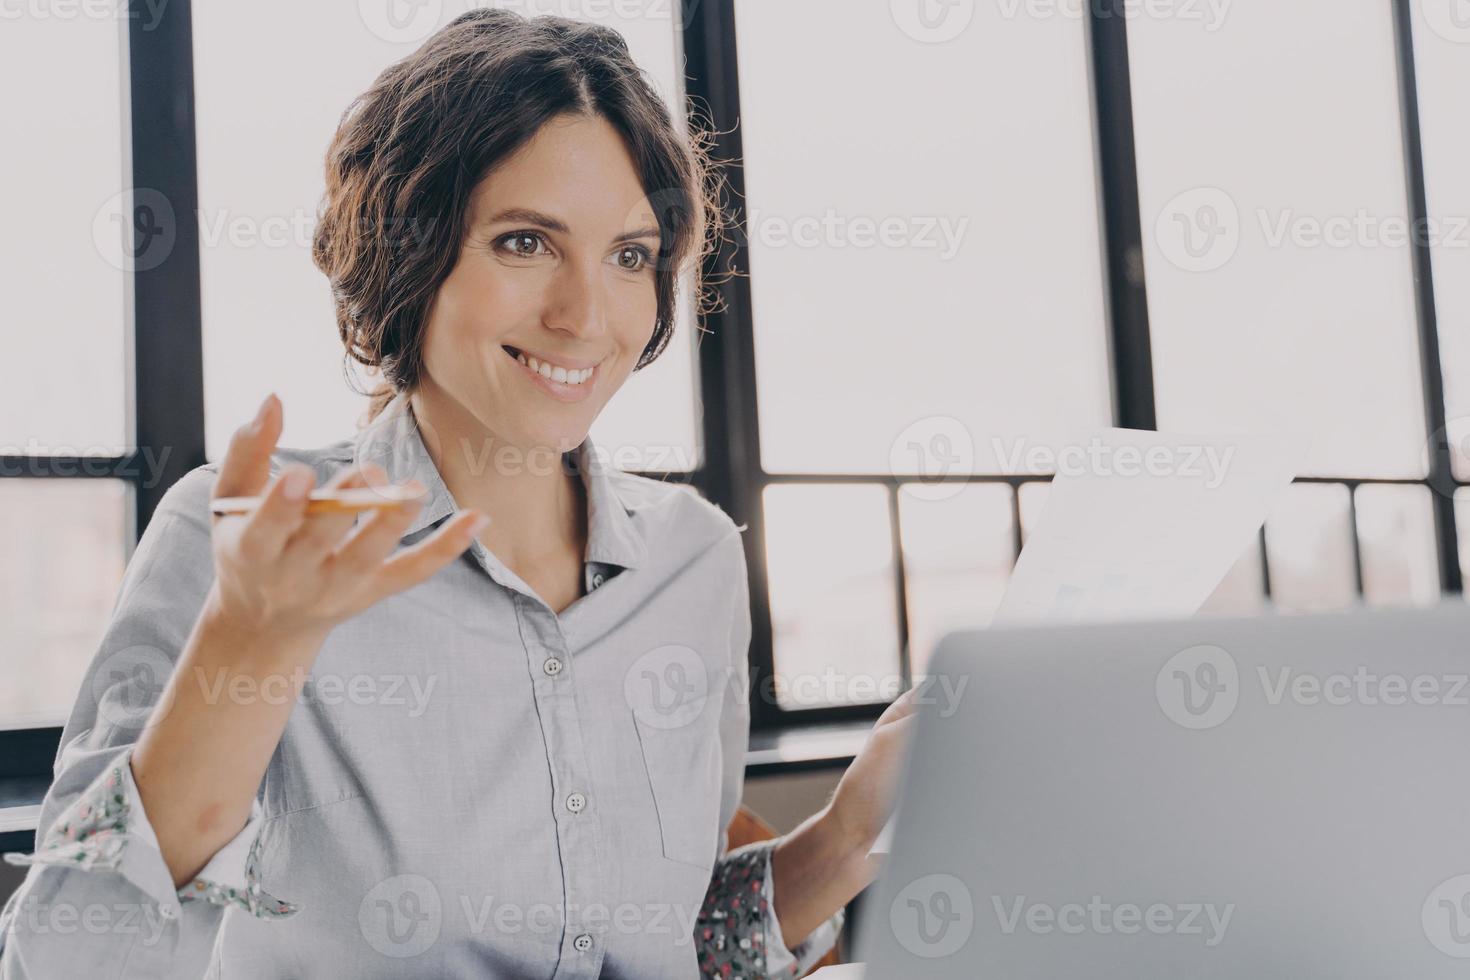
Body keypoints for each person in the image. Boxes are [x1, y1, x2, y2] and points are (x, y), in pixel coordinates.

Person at [0, 9, 915, 978]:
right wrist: (251, 641)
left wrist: (847, 835)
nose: (583, 315)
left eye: (630, 254)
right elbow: (67, 960)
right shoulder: (246, 539)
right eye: (525, 242)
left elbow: (660, 946)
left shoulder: (694, 557)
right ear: (410, 250)